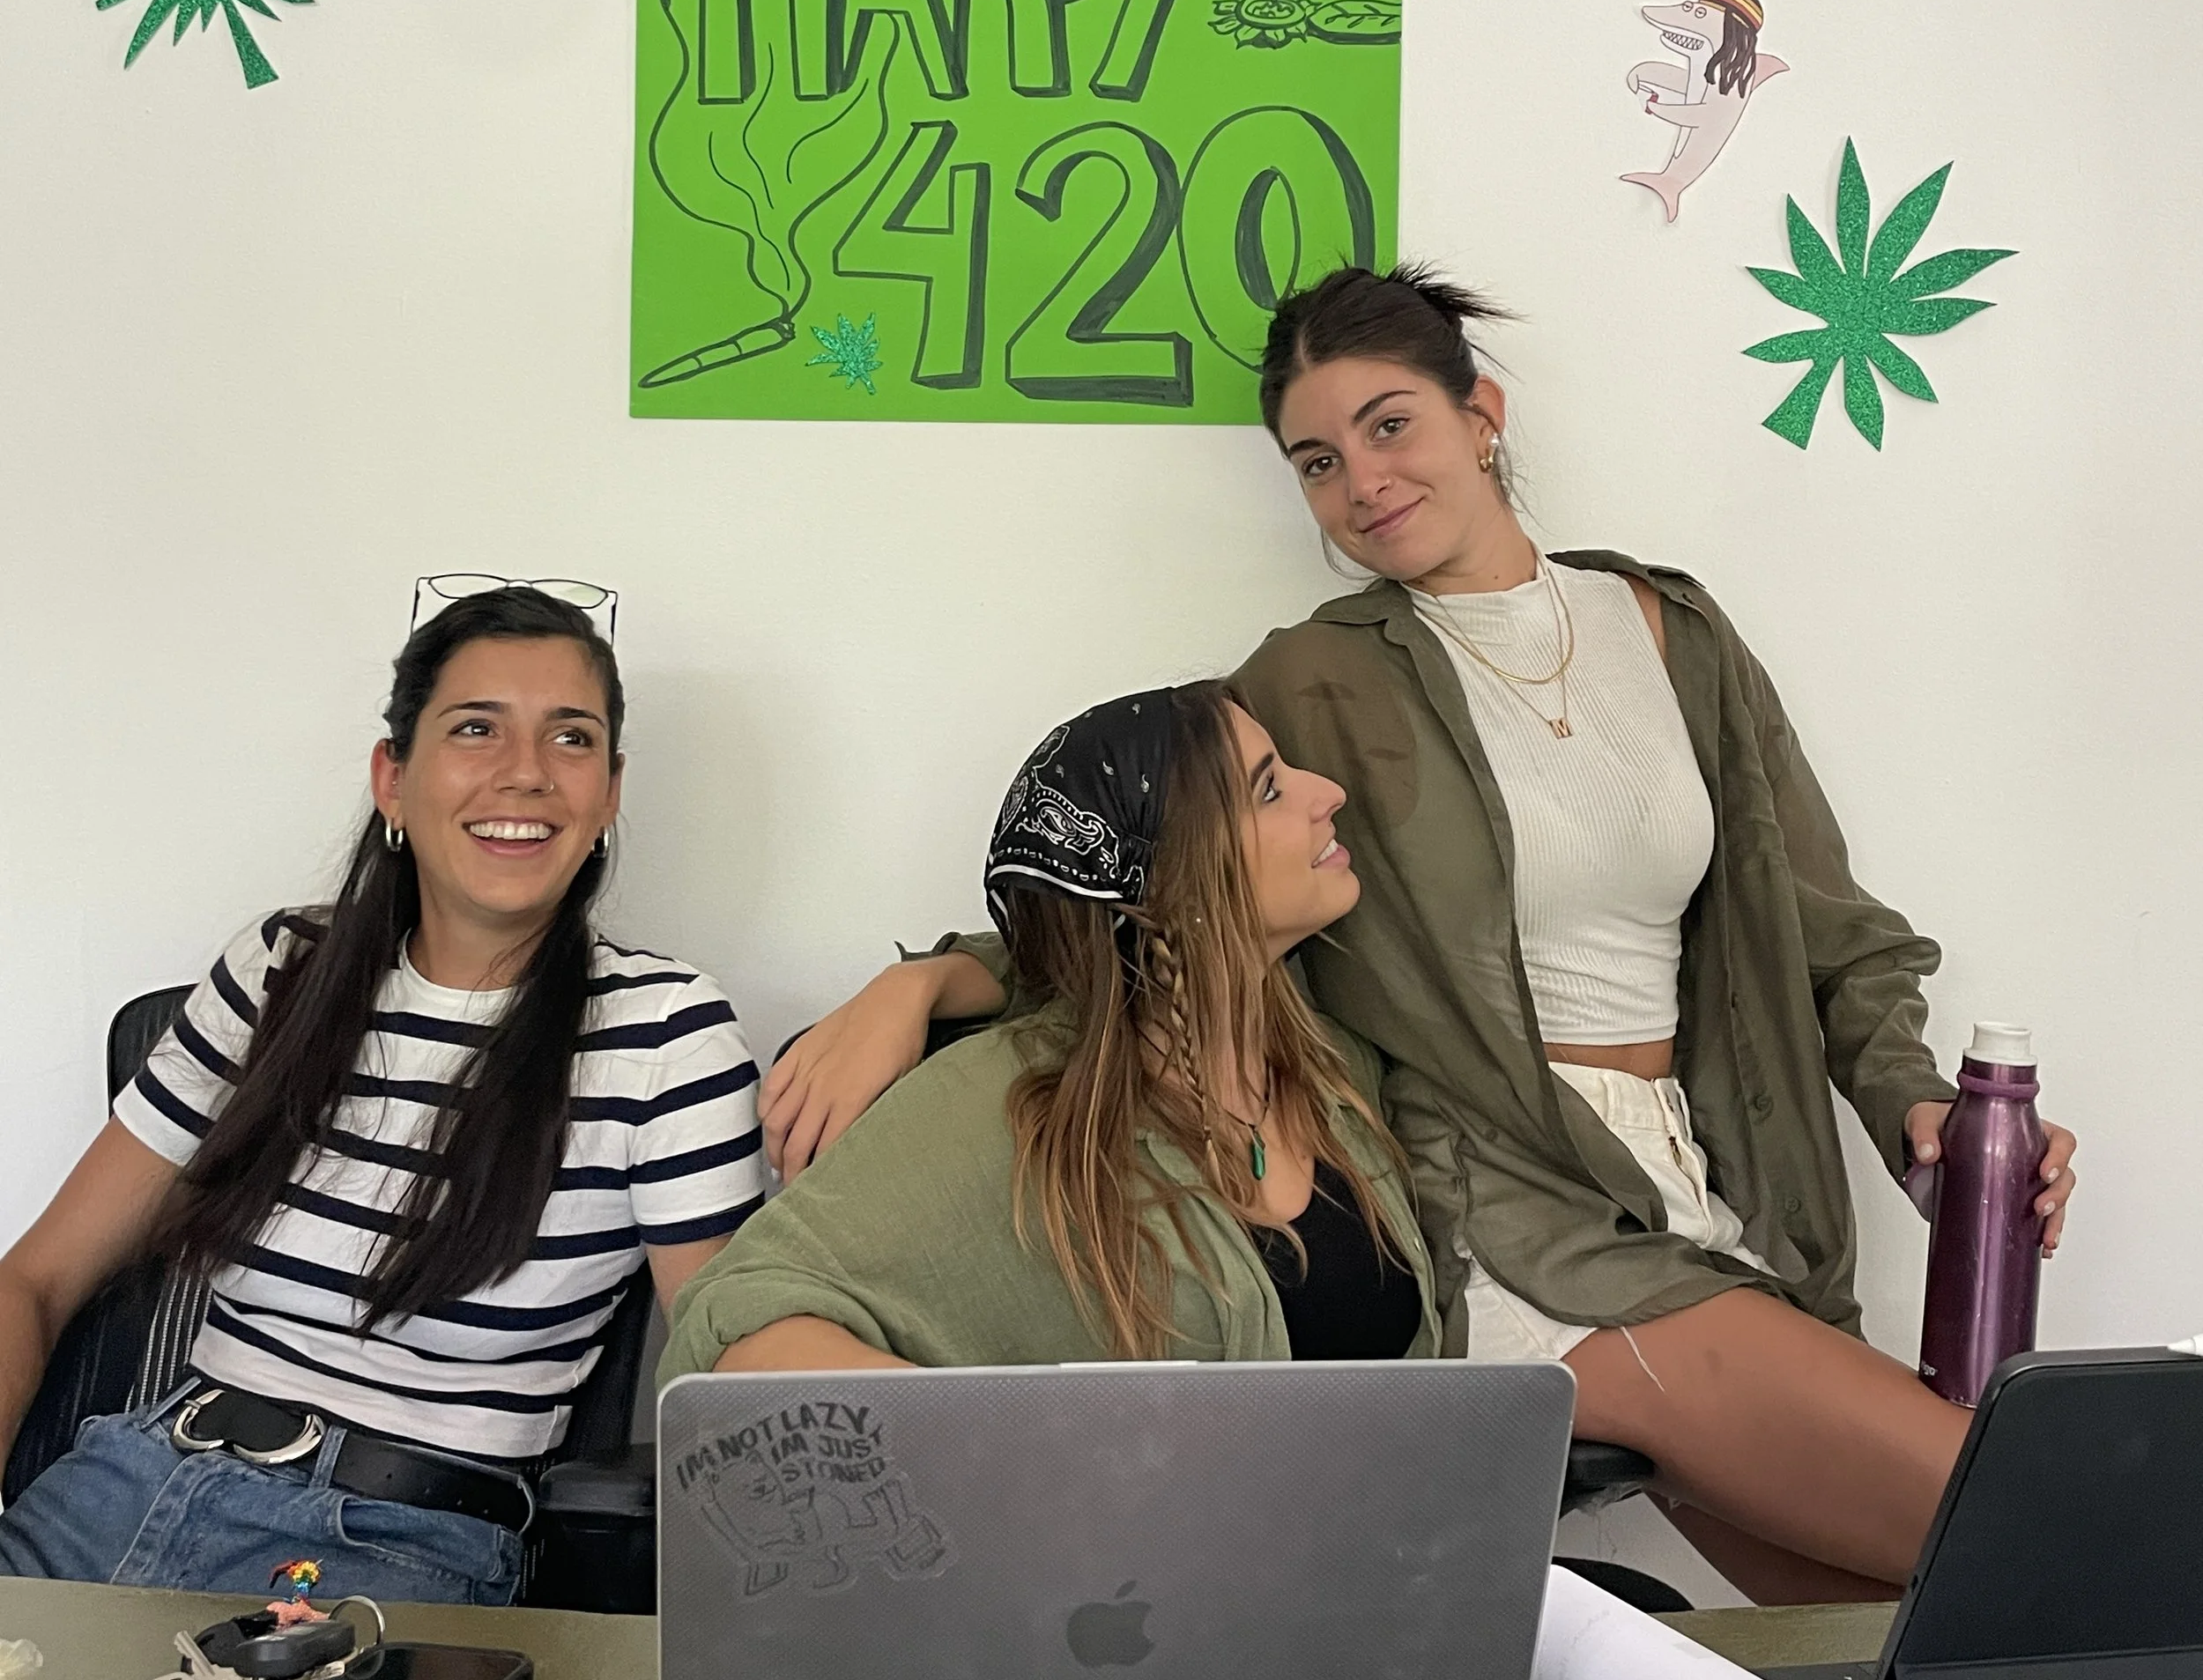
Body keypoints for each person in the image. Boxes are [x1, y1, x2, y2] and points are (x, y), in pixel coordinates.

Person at [761, 268, 2077, 1602]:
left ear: (1482, 413)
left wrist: (1917, 1108)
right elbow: (1155, 884)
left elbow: (1825, 925)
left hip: (1708, 1179)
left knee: (1903, 1648)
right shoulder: (1317, 677)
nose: (1361, 484)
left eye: (1391, 427)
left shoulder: (1674, 633)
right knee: (2023, 1535)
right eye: (1317, 461)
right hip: (1506, 1199)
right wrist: (929, 976)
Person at [0, 587, 765, 1603]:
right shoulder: (280, 972)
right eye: (476, 728)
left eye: (571, 739)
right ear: (393, 779)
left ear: (610, 792)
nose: (527, 772)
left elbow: (731, 1385)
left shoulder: (665, 1035)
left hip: (389, 1549)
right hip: (110, 1491)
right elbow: (34, 1283)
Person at [659, 683, 1436, 1379]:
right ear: (1167, 885)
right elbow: (730, 1326)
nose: (1329, 792)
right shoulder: (1008, 1101)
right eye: (1268, 789)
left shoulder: (1336, 1062)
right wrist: (1006, 1462)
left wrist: (923, 977)